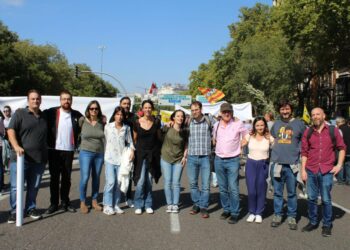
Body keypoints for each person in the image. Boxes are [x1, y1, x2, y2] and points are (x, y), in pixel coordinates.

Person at [301, 107, 346, 237]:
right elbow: (304, 152)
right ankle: (313, 221)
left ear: (323, 115)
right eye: (313, 115)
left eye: (317, 114)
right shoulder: (308, 132)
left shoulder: (333, 130)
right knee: (311, 198)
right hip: (311, 169)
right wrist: (303, 170)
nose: (315, 116)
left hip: (327, 170)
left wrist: (339, 165)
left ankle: (327, 224)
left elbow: (342, 148)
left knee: (326, 199)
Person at [7, 89, 48, 223]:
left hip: (38, 159)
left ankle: (30, 208)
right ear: (28, 100)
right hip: (19, 158)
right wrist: (16, 146)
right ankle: (15, 211)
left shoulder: (44, 116)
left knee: (34, 187)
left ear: (41, 100)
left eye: (38, 99)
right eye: (33, 99)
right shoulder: (20, 113)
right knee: (15, 187)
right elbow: (11, 130)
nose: (36, 101)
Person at [44, 90, 83, 214]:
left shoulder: (76, 115)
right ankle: (54, 204)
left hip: (69, 151)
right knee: (54, 178)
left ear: (71, 101)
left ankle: (65, 202)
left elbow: (88, 122)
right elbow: (37, 114)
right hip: (54, 150)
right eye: (64, 99)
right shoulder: (51, 112)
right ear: (60, 100)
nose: (66, 101)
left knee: (66, 178)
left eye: (68, 99)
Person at [270, 100, 305, 230]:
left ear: (291, 110)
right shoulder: (276, 124)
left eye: (287, 109)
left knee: (291, 193)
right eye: (283, 109)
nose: (285, 112)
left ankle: (291, 216)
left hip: (292, 165)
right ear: (280, 111)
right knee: (278, 193)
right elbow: (272, 137)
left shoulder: (299, 124)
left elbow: (304, 140)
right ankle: (278, 215)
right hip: (277, 164)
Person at [212, 103, 248, 224]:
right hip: (219, 159)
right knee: (222, 188)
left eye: (229, 111)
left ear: (232, 113)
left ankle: (234, 212)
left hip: (233, 160)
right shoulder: (216, 125)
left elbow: (246, 136)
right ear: (221, 113)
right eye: (224, 112)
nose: (227, 113)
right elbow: (214, 139)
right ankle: (226, 209)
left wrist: (242, 143)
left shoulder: (238, 123)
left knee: (233, 187)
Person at [103, 106, 135, 215]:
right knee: (110, 182)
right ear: (114, 115)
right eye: (117, 114)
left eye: (121, 115)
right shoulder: (108, 127)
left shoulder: (126, 128)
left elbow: (130, 141)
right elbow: (105, 141)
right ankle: (107, 205)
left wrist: (132, 151)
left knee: (118, 183)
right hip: (109, 159)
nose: (119, 116)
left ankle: (115, 205)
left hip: (121, 160)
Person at [241, 117, 273, 223]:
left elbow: (277, 147)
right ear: (254, 126)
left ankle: (259, 212)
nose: (260, 127)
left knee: (261, 189)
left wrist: (272, 140)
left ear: (265, 126)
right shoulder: (250, 136)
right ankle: (252, 212)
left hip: (263, 164)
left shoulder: (268, 137)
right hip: (251, 163)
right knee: (251, 189)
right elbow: (241, 143)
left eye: (262, 125)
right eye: (257, 125)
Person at [133, 100, 162, 215]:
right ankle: (138, 204)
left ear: (152, 109)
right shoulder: (136, 122)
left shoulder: (156, 122)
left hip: (152, 155)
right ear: (142, 109)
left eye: (149, 107)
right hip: (140, 155)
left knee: (149, 181)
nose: (147, 109)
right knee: (140, 181)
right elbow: (134, 139)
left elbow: (159, 138)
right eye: (145, 107)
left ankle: (148, 203)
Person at [186, 101, 214, 218]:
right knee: (193, 183)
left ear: (201, 109)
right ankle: (196, 204)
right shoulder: (188, 122)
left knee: (206, 185)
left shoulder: (209, 121)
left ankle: (204, 207)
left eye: (196, 109)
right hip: (192, 157)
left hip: (205, 157)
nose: (194, 112)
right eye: (192, 110)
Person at [79, 100, 105, 213]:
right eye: (91, 108)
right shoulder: (82, 120)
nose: (94, 110)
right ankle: (83, 201)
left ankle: (94, 200)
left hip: (99, 153)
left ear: (98, 110)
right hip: (85, 152)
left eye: (96, 108)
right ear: (88, 110)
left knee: (96, 178)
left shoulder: (102, 122)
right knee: (85, 178)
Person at [161, 110, 188, 213]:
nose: (180, 118)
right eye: (178, 116)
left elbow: (186, 144)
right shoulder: (168, 127)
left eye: (182, 116)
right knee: (168, 182)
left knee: (176, 183)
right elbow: (159, 134)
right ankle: (169, 204)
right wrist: (166, 125)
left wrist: (185, 157)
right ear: (173, 118)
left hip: (178, 159)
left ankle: (175, 204)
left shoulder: (185, 130)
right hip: (166, 158)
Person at [117, 96, 137, 207]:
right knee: (115, 176)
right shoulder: (115, 116)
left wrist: (132, 149)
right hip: (116, 150)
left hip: (128, 150)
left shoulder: (133, 117)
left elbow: (135, 134)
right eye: (124, 103)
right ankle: (115, 198)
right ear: (120, 104)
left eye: (128, 103)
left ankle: (128, 198)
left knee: (127, 174)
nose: (127, 105)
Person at [335, 117, 350, 185]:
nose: (336, 124)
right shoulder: (349, 128)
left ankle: (341, 180)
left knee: (340, 164)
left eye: (337, 123)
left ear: (339, 123)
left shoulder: (339, 130)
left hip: (342, 150)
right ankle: (348, 180)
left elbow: (338, 141)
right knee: (348, 165)